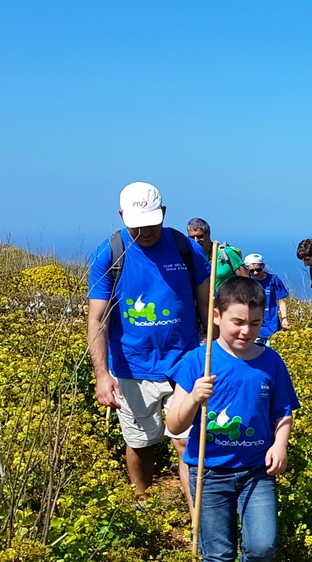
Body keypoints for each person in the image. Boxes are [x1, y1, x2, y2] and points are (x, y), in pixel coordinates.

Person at [166, 276, 298, 562]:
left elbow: (283, 412)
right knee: (218, 554)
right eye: (238, 321)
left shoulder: (271, 361)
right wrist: (194, 397)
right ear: (217, 316)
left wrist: (280, 443)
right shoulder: (197, 360)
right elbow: (174, 425)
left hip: (257, 470)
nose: (246, 331)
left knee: (263, 543)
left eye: (255, 323)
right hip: (209, 472)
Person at [87, 182, 211, 517]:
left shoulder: (186, 249)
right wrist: (102, 375)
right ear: (122, 217)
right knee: (140, 442)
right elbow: (97, 317)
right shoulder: (109, 253)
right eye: (136, 223)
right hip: (131, 368)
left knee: (187, 441)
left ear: (165, 214)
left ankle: (196, 515)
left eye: (152, 221)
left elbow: (205, 303)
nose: (145, 230)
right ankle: (144, 504)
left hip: (183, 363)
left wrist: (216, 356)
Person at [187, 217, 248, 292]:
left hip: (228, 300)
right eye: (192, 238)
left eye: (200, 236)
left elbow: (246, 280)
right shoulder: (190, 257)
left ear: (208, 234)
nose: (196, 241)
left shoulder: (226, 252)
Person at [243, 253, 290, 343]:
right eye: (252, 271)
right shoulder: (248, 282)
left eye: (258, 269)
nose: (255, 273)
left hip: (272, 326)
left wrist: (284, 318)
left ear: (263, 266)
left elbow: (281, 301)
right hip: (254, 328)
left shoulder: (273, 280)